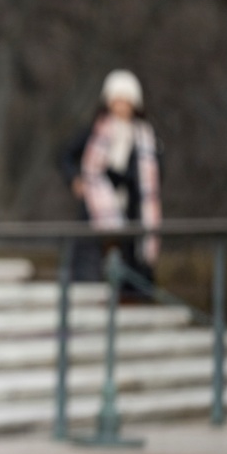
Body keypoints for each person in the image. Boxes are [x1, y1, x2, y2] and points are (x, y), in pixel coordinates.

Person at [61, 69, 162, 299]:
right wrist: (76, 180)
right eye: (117, 101)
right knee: (92, 264)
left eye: (126, 101)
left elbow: (154, 175)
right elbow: (65, 155)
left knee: (132, 268)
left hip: (132, 212)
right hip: (98, 211)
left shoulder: (145, 136)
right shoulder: (95, 132)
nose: (121, 107)